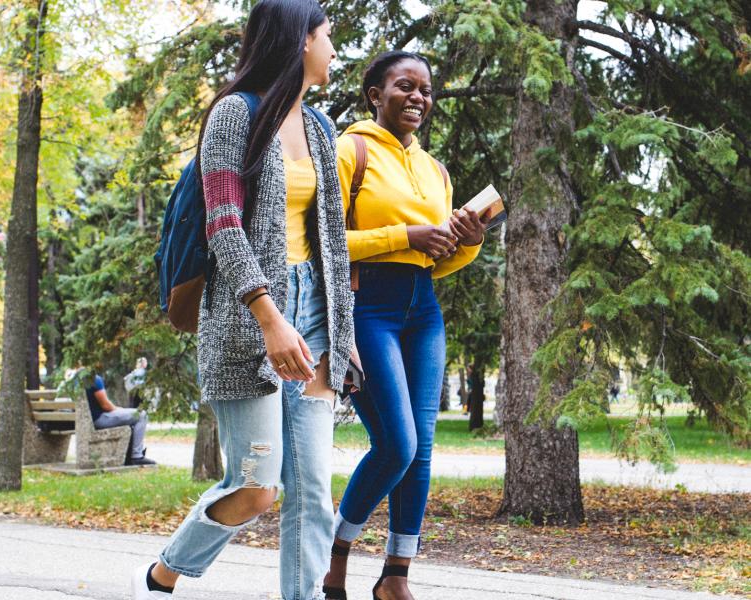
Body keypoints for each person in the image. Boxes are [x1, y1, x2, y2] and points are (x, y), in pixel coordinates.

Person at [132, 2, 354, 599]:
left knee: (311, 490)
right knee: (258, 486)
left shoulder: (320, 128)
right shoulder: (235, 114)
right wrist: (268, 316)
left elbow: (331, 237)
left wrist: (338, 332)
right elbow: (224, 225)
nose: (334, 49)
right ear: (298, 41)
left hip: (313, 313)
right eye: (328, 36)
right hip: (246, 317)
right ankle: (163, 574)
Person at [323, 51, 488, 600]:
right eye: (405, 86)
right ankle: (336, 553)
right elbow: (321, 245)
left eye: (426, 89)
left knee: (422, 449)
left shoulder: (435, 169)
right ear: (375, 93)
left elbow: (436, 261)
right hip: (368, 305)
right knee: (396, 442)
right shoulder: (352, 150)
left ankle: (396, 576)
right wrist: (404, 236)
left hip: (424, 311)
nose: (419, 97)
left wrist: (467, 243)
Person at [85, 373, 155, 466]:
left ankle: (129, 455)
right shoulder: (95, 379)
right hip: (100, 419)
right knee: (142, 415)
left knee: (132, 414)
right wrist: (118, 409)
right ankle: (137, 456)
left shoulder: (75, 379)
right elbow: (106, 406)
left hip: (90, 420)